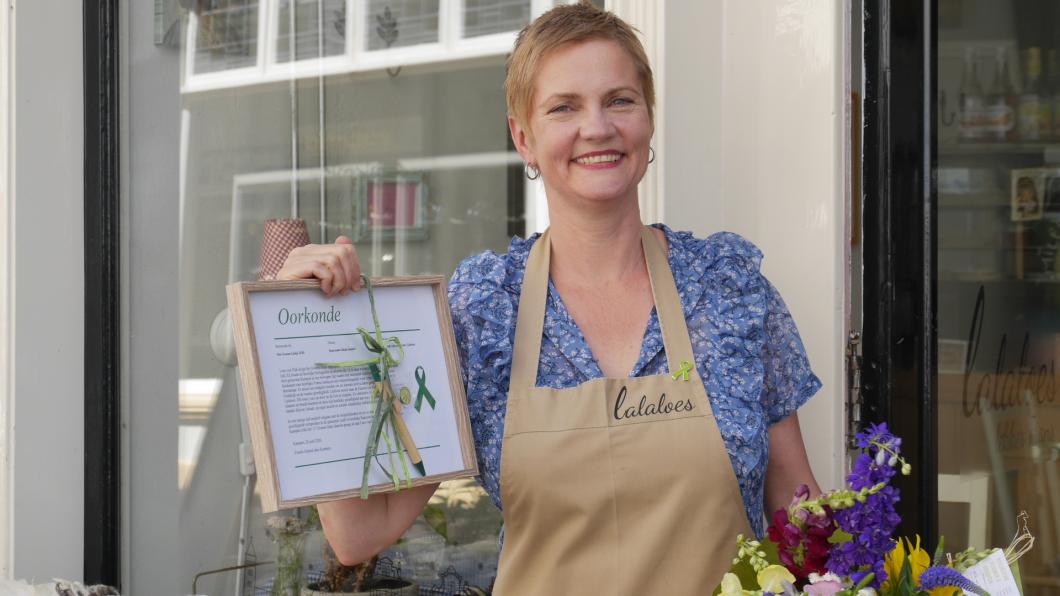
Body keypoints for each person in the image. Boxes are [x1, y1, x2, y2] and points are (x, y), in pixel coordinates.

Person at [276, 3, 822, 593]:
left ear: (648, 118)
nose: (598, 127)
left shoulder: (730, 288)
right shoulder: (481, 309)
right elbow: (360, 533)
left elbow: (801, 519)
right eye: (564, 107)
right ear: (523, 137)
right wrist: (311, 335)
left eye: (620, 100)